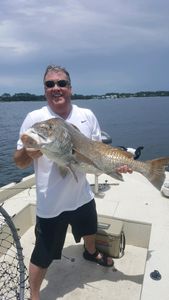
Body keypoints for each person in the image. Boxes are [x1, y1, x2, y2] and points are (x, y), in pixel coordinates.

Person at [14, 65, 132, 300]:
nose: (56, 88)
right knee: (43, 253)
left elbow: (98, 151)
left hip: (82, 195)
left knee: (90, 230)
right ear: (44, 90)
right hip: (51, 204)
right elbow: (18, 162)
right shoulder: (35, 119)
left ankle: (91, 253)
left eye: (61, 83)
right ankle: (34, 295)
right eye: (50, 84)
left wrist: (117, 165)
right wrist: (30, 152)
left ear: (70, 88)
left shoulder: (87, 115)